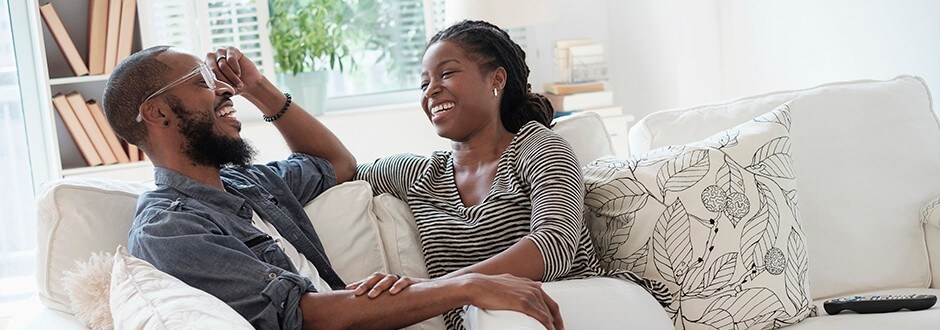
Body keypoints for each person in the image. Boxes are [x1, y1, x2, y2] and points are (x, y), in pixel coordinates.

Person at [101, 45, 563, 330]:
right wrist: (466, 286)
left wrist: (260, 88)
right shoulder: (170, 228)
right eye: (202, 81)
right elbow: (306, 315)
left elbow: (336, 164)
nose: (224, 89)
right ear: (159, 113)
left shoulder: (250, 184)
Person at [352, 20, 672, 329]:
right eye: (424, 84)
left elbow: (553, 246)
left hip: (583, 306)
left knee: (496, 314)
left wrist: (436, 290)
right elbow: (337, 167)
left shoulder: (536, 146)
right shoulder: (418, 175)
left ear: (497, 79)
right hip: (493, 320)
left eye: (447, 73)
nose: (431, 91)